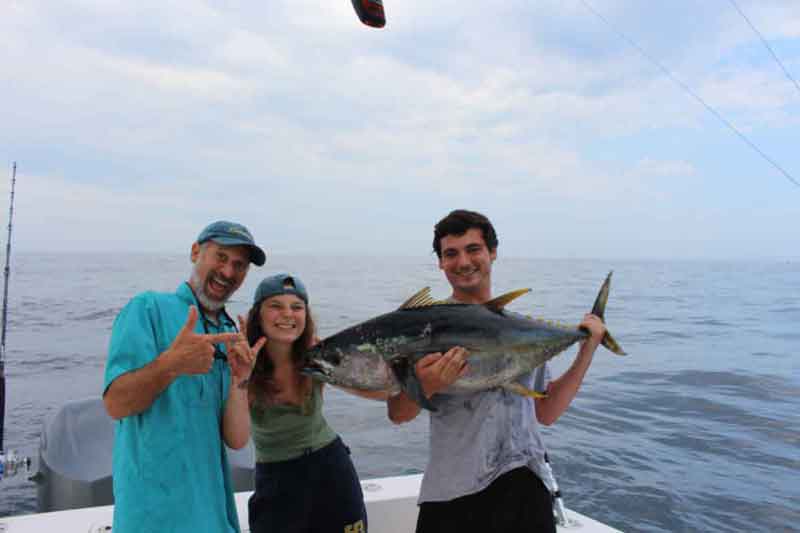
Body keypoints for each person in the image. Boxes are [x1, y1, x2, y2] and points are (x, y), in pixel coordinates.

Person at [387, 209, 607, 533]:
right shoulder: (423, 327)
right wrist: (427, 383)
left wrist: (586, 349)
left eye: (473, 249)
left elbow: (544, 412)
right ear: (441, 263)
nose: (463, 262)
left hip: (527, 487)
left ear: (492, 253)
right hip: (453, 495)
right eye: (451, 253)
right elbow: (398, 413)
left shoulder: (520, 333)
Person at [103, 220, 267, 533]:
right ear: (195, 252)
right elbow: (115, 404)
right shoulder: (147, 308)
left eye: (239, 265)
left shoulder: (229, 332)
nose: (229, 272)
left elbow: (236, 439)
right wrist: (172, 365)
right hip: (153, 520)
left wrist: (240, 381)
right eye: (220, 257)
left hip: (215, 517)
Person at [245, 273, 382, 533]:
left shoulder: (317, 356)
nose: (288, 314)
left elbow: (373, 391)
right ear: (258, 315)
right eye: (275, 305)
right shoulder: (243, 363)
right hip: (276, 477)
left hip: (331, 468)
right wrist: (240, 377)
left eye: (297, 307)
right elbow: (234, 434)